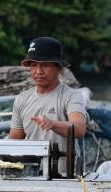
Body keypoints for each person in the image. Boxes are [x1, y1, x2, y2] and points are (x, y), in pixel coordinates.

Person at [8, 37, 88, 175]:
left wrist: (52, 124)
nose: (38, 71)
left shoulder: (71, 96)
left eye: (45, 65)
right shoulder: (21, 99)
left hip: (65, 178)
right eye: (33, 65)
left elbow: (80, 129)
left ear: (59, 68)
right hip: (30, 176)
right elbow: (15, 140)